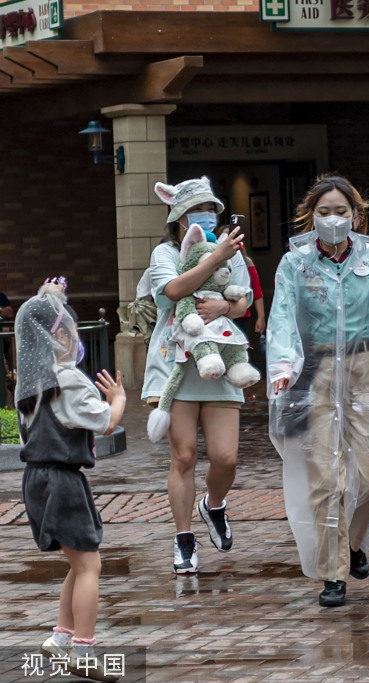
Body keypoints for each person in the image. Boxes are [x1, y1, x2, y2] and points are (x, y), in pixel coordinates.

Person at [266, 174, 369, 607]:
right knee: (325, 477)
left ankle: (357, 543)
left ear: (356, 216)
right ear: (311, 216)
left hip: (366, 368)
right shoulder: (295, 263)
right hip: (315, 369)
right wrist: (283, 367)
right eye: (324, 212)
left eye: (341, 211)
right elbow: (282, 318)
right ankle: (333, 573)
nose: (333, 220)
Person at [16, 277, 126, 681]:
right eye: (70, 329)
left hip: (35, 480)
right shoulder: (69, 379)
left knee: (78, 563)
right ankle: (83, 648)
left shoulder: (27, 385)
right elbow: (105, 423)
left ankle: (61, 639)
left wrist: (51, 299)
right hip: (63, 480)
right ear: (59, 334)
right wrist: (119, 400)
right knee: (90, 565)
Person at [144, 176, 251, 575]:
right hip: (177, 363)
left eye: (210, 210)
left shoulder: (231, 250)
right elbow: (174, 290)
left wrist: (224, 309)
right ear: (177, 218)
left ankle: (214, 505)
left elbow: (243, 301)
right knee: (184, 455)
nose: (205, 217)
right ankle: (184, 539)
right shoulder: (165, 253)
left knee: (226, 457)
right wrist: (215, 256)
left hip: (220, 360)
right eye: (195, 211)